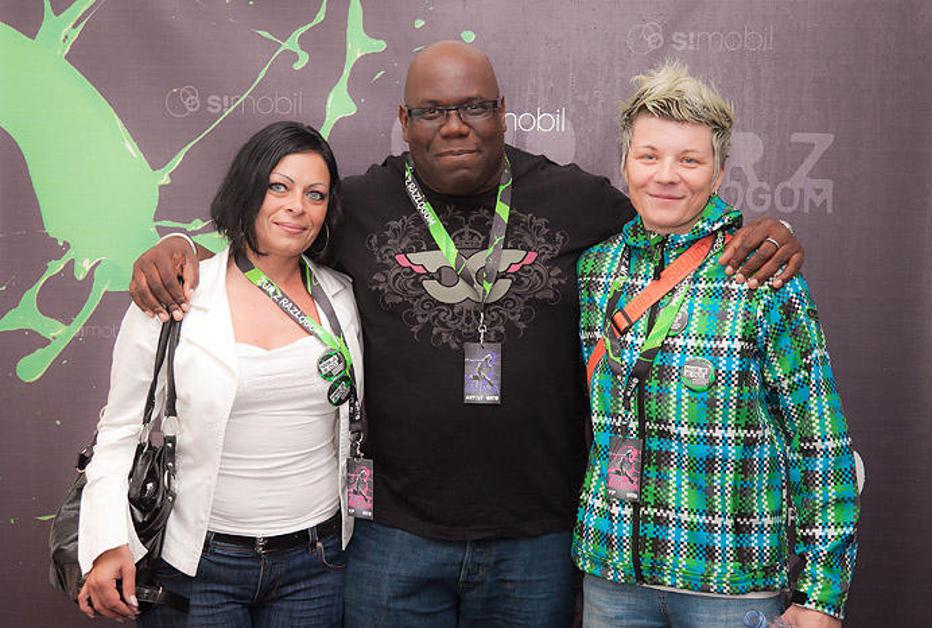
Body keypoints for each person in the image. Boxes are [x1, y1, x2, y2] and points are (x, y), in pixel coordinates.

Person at [129, 42, 803, 627]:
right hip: (393, 533)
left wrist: (765, 230)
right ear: (404, 121)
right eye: (431, 112)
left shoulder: (577, 199)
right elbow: (268, 240)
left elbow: (673, 217)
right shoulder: (354, 205)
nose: (454, 126)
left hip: (536, 536)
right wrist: (182, 249)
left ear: (502, 111)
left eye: (474, 107)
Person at [574, 61, 858, 628]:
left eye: (689, 160)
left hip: (730, 586)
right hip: (613, 579)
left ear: (720, 172)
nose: (666, 176)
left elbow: (819, 441)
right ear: (625, 164)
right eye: (649, 156)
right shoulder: (595, 271)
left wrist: (822, 595)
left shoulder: (762, 273)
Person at [78, 121, 363, 627]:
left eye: (315, 194)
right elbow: (120, 431)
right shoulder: (174, 296)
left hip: (316, 564)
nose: (297, 206)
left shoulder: (342, 297)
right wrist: (107, 542)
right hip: (198, 565)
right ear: (247, 189)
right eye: (279, 186)